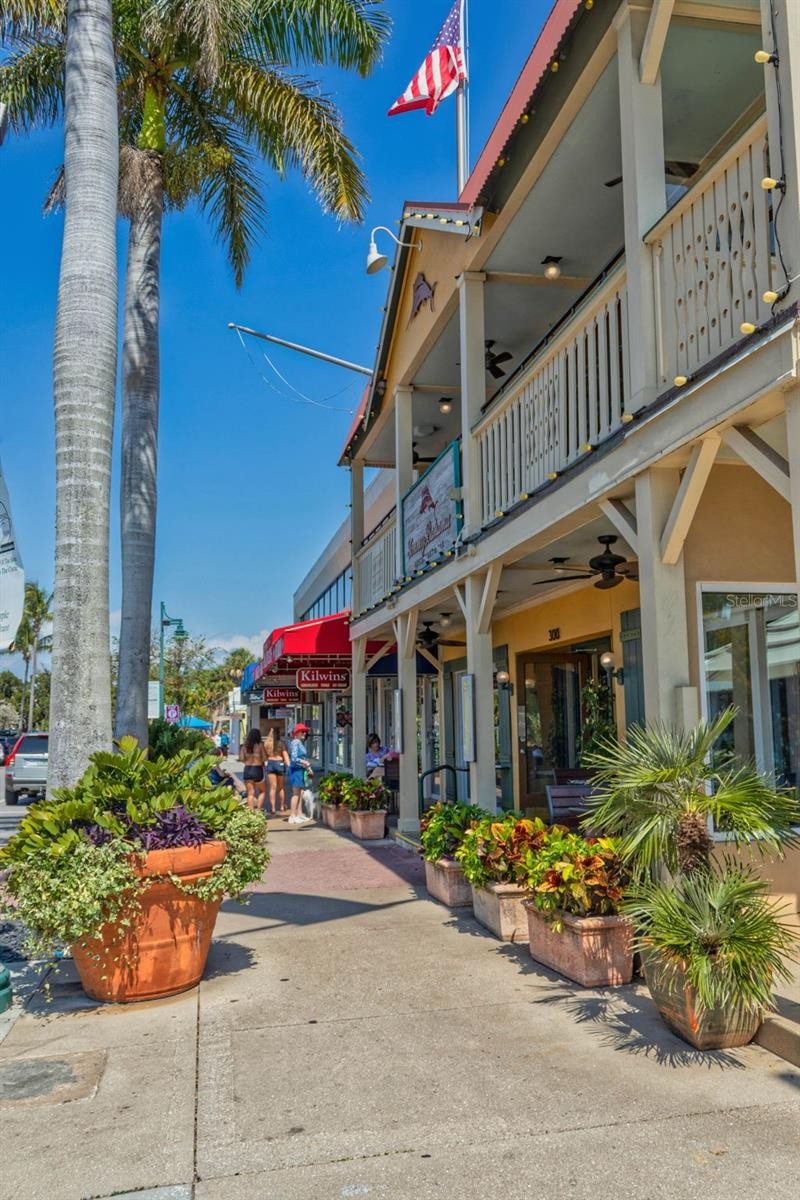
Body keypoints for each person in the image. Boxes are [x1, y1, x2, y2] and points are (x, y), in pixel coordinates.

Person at [287, 722, 314, 825]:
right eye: (302, 731)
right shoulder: (296, 742)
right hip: (296, 770)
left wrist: (306, 765)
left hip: (300, 769)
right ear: (297, 732)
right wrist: (305, 762)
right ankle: (292, 815)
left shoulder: (298, 742)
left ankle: (298, 814)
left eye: (305, 732)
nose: (304, 733)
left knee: (299, 792)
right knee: (296, 793)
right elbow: (294, 758)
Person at [239, 728, 267, 810]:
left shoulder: (244, 746)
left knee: (250, 793)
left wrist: (247, 761)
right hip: (258, 769)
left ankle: (250, 812)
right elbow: (265, 758)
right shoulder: (260, 745)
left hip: (247, 769)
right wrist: (260, 760)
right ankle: (258, 810)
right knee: (262, 791)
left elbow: (241, 758)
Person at [264, 726, 290, 815]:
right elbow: (285, 755)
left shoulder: (267, 744)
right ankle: (282, 806)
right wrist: (289, 765)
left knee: (272, 787)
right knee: (281, 787)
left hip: (270, 763)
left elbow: (265, 756)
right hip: (280, 763)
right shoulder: (282, 743)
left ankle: (273, 808)